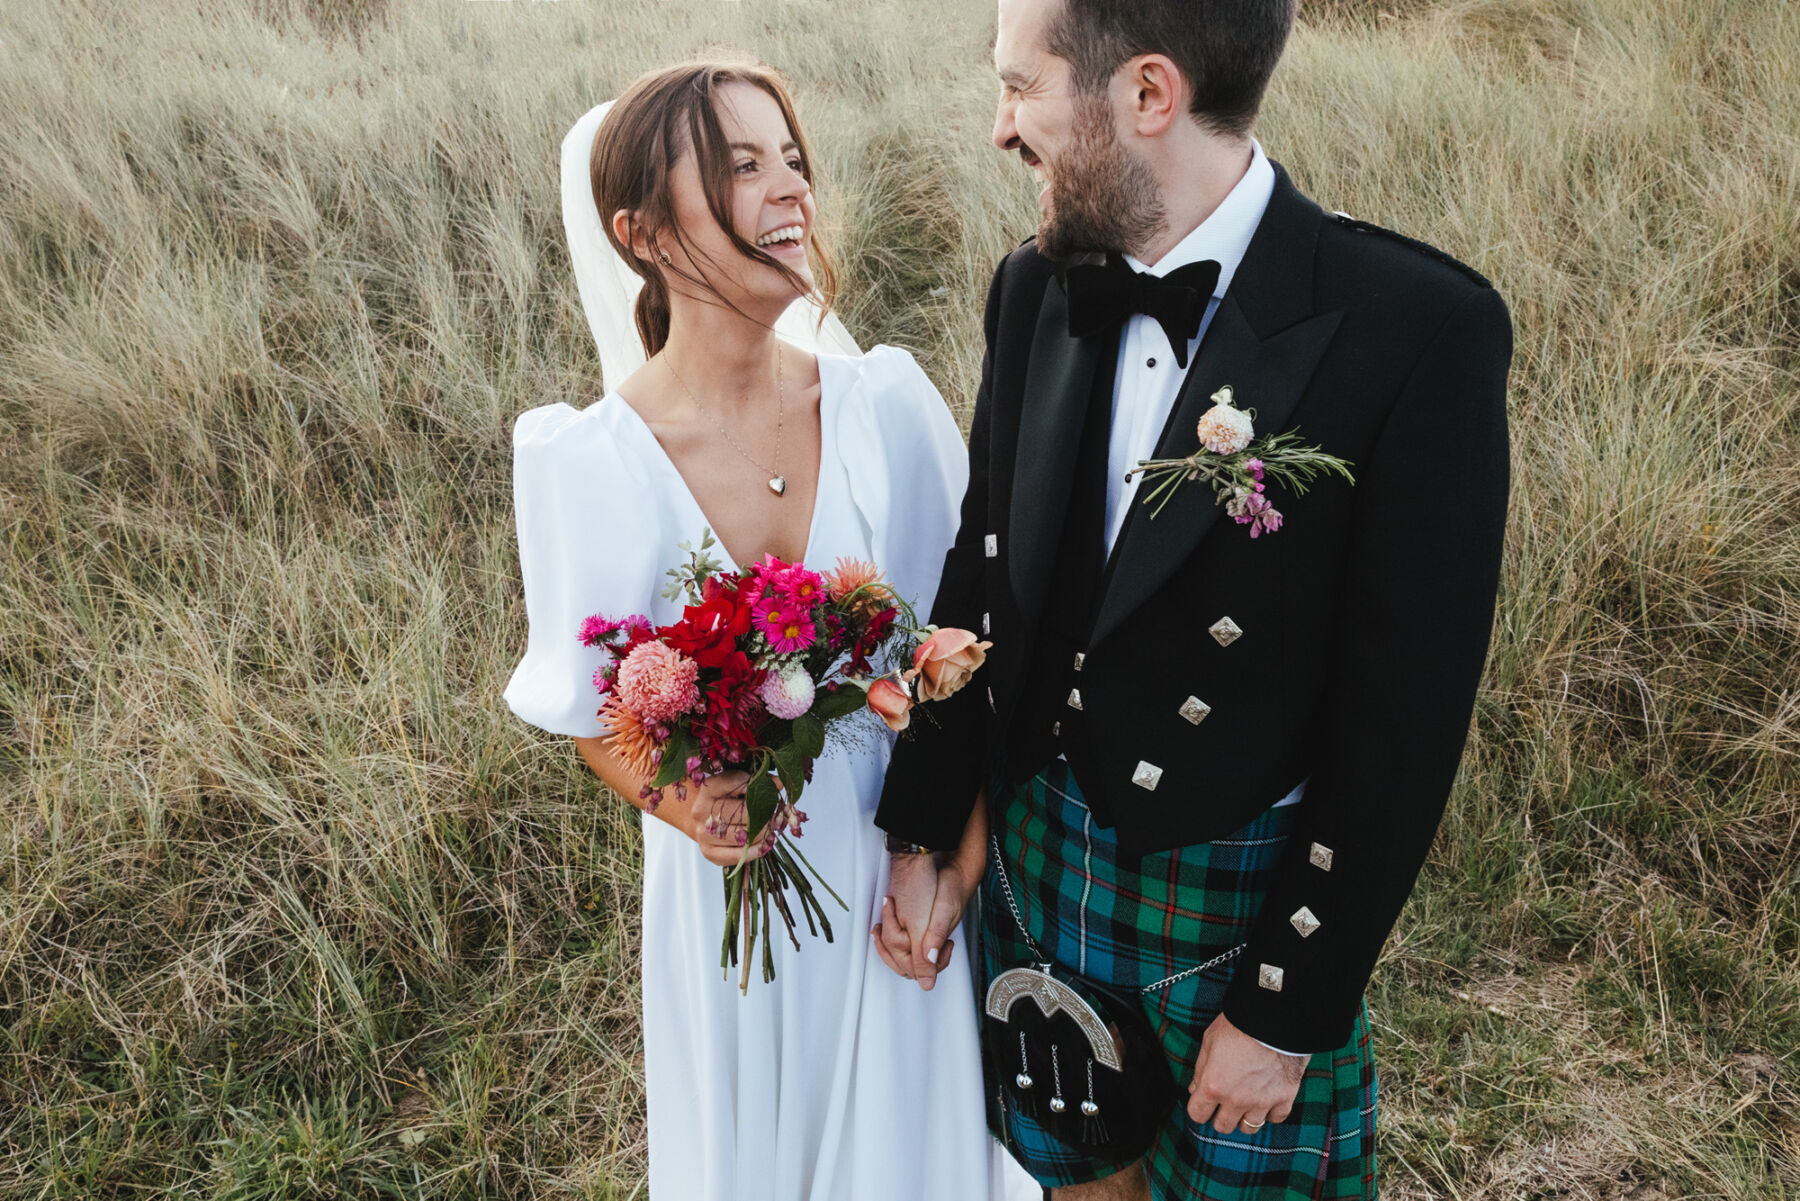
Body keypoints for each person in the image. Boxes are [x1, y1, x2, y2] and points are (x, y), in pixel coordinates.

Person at [873, 1, 1513, 1198]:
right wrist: (927, 829)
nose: (998, 128)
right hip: (1038, 849)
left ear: (1148, 95)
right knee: (1074, 1179)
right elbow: (983, 572)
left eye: (1020, 88)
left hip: (1236, 897)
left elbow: (1405, 722)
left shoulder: (1418, 330)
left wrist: (1286, 1007)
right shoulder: (1034, 287)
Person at [503, 62, 1037, 1201]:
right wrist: (687, 804)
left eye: (792, 156)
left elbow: (963, 656)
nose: (790, 187)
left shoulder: (887, 406)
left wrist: (953, 861)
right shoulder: (583, 461)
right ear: (638, 231)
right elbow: (593, 715)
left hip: (903, 867)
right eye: (742, 166)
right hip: (734, 906)